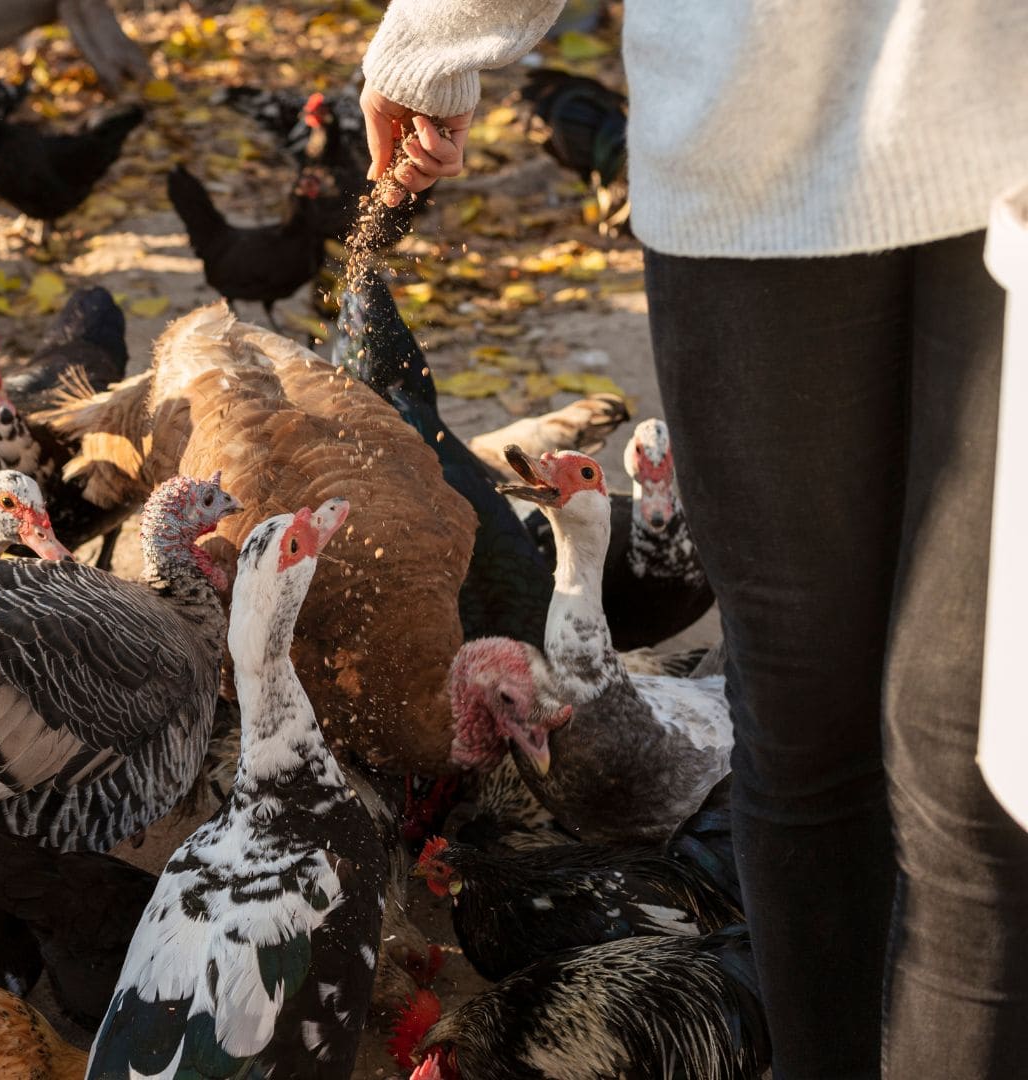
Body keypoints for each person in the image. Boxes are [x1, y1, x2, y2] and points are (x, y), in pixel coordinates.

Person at [355, 2, 1028, 1076]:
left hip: (1010, 135)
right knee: (805, 733)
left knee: (968, 772)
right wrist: (442, 32)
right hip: (748, 136)